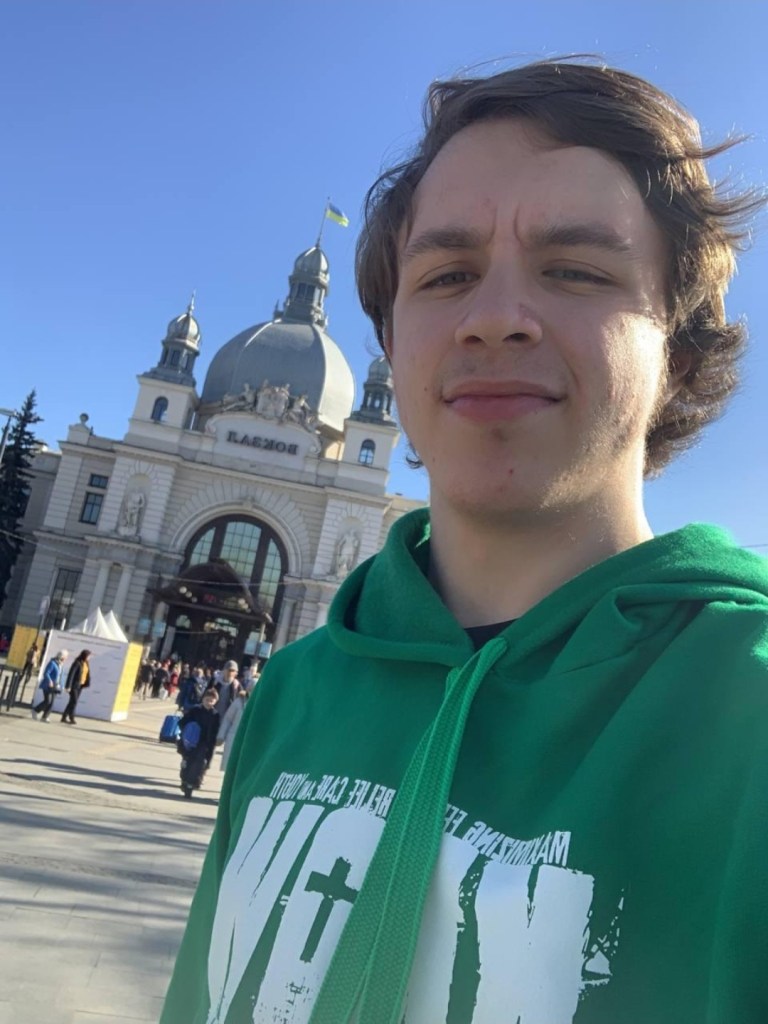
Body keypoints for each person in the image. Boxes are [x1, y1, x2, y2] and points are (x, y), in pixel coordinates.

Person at [161, 59, 768, 1024]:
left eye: (576, 270)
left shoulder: (747, 716)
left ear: (680, 352)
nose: (492, 320)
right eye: (446, 276)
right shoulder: (294, 692)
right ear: (392, 348)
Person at [177, 687, 220, 799]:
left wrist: (214, 742)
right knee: (188, 762)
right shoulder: (195, 710)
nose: (209, 702)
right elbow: (182, 722)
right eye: (207, 700)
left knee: (199, 765)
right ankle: (185, 781)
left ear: (215, 701)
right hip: (191, 742)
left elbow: (215, 731)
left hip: (204, 744)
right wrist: (188, 730)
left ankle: (191, 784)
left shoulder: (215, 715)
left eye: (211, 700)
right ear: (203, 699)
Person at [215, 683, 249, 772]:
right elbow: (228, 719)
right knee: (230, 767)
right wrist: (221, 736)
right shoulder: (238, 702)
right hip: (233, 736)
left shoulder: (261, 704)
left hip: (249, 740)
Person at [31, 650, 68, 722]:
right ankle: (35, 710)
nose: (66, 658)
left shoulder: (61, 665)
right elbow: (46, 673)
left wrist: (62, 686)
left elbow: (61, 676)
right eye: (66, 657)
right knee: (48, 701)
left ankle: (45, 717)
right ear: (62, 657)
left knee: (51, 702)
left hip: (56, 686)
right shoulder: (52, 663)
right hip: (48, 685)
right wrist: (49, 680)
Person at [61, 648, 91, 724]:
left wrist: (87, 682)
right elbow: (71, 674)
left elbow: (87, 673)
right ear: (84, 656)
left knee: (72, 701)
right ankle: (72, 717)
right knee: (74, 701)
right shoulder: (77, 663)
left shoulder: (86, 663)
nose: (89, 658)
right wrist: (68, 686)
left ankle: (64, 717)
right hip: (74, 685)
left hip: (81, 685)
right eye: (88, 656)